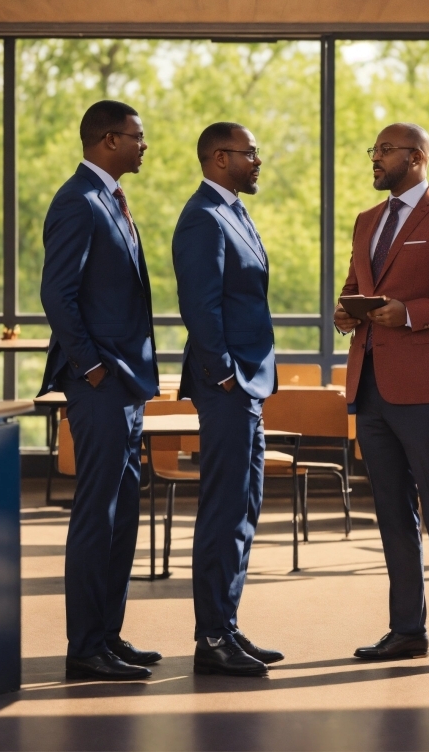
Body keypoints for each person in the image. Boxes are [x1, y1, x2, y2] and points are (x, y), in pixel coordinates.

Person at [335, 123, 429, 675]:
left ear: (416, 157)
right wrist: (345, 308)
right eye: (372, 148)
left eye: (383, 150)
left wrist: (406, 313)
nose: (374, 158)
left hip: (424, 387)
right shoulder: (366, 220)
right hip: (370, 384)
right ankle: (407, 631)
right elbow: (357, 281)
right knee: (392, 514)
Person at [39, 100, 161, 680]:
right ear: (109, 140)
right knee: (97, 513)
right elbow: (56, 294)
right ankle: (85, 647)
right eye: (137, 137)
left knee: (123, 514)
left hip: (124, 385)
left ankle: (108, 635)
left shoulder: (108, 199)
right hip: (100, 384)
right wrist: (89, 367)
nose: (145, 146)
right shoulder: (78, 202)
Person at [172, 122, 283, 677]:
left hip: (245, 387)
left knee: (244, 507)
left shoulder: (234, 211)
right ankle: (211, 638)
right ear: (220, 158)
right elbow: (200, 306)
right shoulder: (202, 218)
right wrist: (224, 377)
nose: (258, 161)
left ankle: (226, 628)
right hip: (229, 387)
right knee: (223, 510)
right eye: (250, 153)